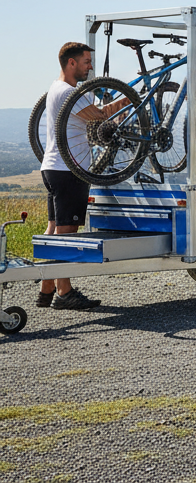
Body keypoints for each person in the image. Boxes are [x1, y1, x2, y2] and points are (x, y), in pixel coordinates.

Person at [38, 42, 123, 311]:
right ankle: (64, 293)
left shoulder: (56, 87)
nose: (90, 67)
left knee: (54, 229)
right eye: (86, 62)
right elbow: (99, 117)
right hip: (68, 171)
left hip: (53, 167)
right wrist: (127, 101)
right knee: (67, 233)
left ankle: (46, 289)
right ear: (71, 63)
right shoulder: (69, 93)